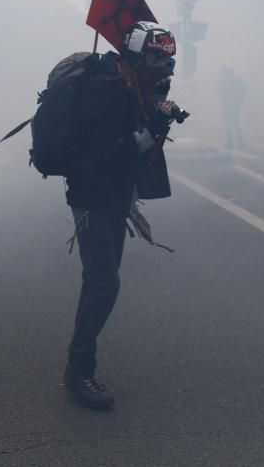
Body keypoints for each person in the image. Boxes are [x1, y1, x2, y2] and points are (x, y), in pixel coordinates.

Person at [63, 21, 177, 409]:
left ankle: (78, 367)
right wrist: (155, 124)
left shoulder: (131, 85)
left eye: (166, 58)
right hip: (93, 196)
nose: (163, 65)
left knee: (98, 281)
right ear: (133, 52)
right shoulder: (106, 89)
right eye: (155, 56)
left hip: (114, 195)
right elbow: (104, 154)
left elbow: (137, 150)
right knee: (104, 284)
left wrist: (156, 112)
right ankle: (79, 372)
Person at [218, 62, 246, 149]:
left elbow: (242, 91)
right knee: (231, 124)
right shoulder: (227, 81)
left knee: (233, 123)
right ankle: (234, 143)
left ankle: (236, 143)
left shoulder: (232, 81)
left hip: (232, 105)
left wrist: (238, 101)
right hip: (229, 105)